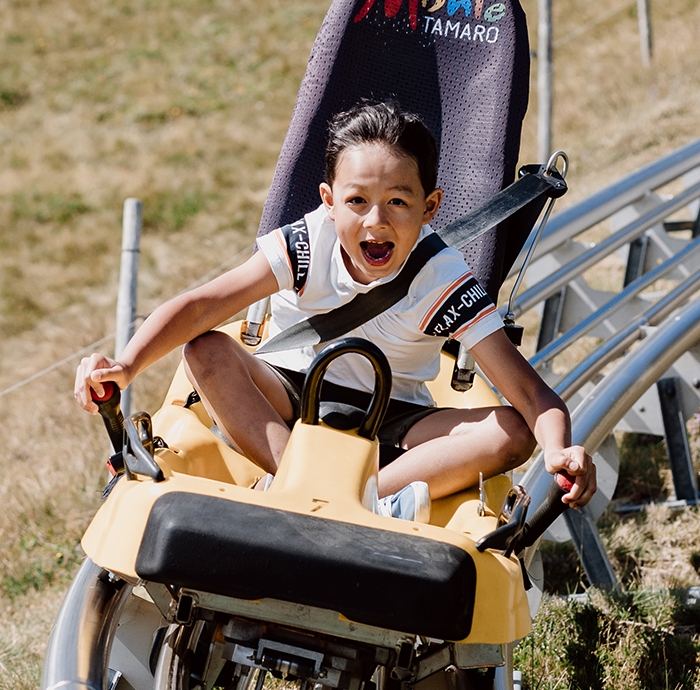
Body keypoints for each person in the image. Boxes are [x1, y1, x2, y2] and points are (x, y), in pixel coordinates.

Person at [75, 100, 596, 521]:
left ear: (430, 208)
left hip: (396, 418)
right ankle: (294, 479)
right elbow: (201, 307)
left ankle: (367, 497)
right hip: (289, 392)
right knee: (205, 350)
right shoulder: (307, 243)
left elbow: (531, 394)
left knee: (513, 432)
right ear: (328, 200)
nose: (376, 220)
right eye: (356, 201)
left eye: (398, 202)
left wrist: (558, 451)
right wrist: (125, 365)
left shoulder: (442, 278)